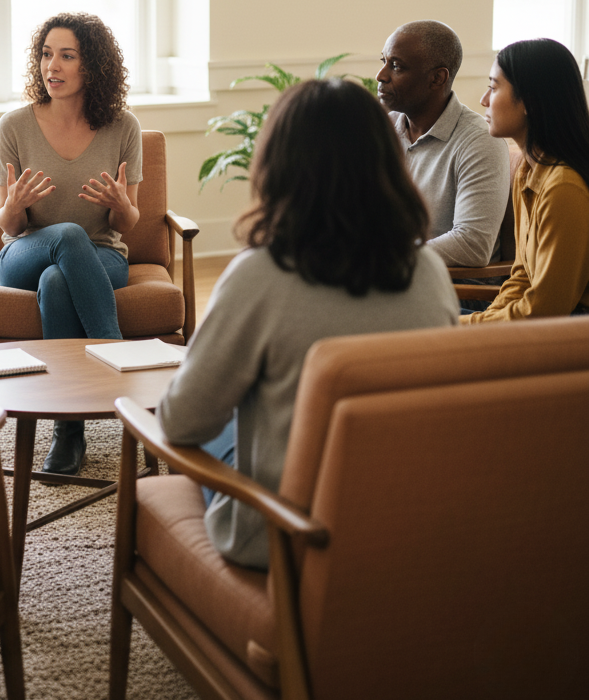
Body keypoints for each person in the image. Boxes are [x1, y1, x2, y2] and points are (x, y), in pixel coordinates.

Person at [158, 79, 459, 570]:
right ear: (387, 163)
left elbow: (182, 422)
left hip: (285, 535)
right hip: (401, 524)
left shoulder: (262, 273)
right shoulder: (427, 270)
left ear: (279, 165)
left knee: (196, 413)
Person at [0, 11, 141, 476]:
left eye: (66, 56)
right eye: (45, 54)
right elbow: (7, 225)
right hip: (24, 253)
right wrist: (15, 205)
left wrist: (121, 202)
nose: (51, 66)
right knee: (65, 241)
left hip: (102, 256)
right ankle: (122, 369)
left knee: (59, 282)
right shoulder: (13, 127)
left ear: (92, 67)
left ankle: (67, 432)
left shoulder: (123, 128)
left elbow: (129, 223)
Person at [461, 39, 589, 323]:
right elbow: (521, 275)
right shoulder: (526, 172)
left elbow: (545, 310)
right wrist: (482, 320)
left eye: (493, 88)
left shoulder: (563, 187)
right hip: (531, 329)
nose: (483, 100)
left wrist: (468, 326)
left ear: (529, 101)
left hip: (565, 340)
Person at [376, 19, 510, 267]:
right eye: (383, 62)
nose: (381, 76)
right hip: (390, 280)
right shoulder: (383, 128)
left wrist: (382, 259)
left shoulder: (479, 141)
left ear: (437, 78)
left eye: (396, 66)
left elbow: (472, 245)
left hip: (456, 289)